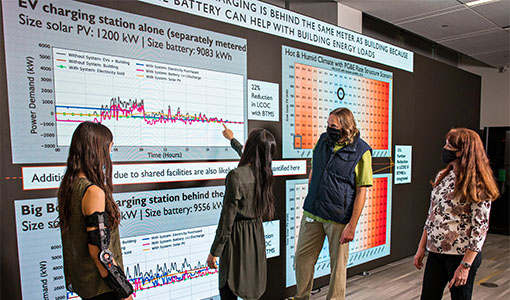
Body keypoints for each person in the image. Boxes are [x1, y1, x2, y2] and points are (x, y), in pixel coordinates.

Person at [294, 107, 373, 300]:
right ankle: (301, 296)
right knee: (302, 258)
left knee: (338, 266)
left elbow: (362, 191)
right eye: (328, 125)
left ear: (346, 127)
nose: (329, 129)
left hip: (338, 217)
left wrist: (352, 226)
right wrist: (312, 194)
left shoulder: (361, 151)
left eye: (333, 126)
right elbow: (314, 170)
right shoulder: (322, 141)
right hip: (313, 212)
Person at [414, 128, 499, 300]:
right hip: (436, 252)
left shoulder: (478, 185)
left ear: (462, 152)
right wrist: (422, 247)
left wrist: (466, 266)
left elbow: (480, 229)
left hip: (461, 256)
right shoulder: (442, 176)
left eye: (449, 145)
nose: (444, 148)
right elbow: (432, 216)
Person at [58, 121, 133, 300]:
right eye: (109, 148)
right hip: (104, 289)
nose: (109, 155)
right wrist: (124, 292)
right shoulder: (93, 192)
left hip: (85, 287)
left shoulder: (69, 186)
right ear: (97, 150)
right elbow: (100, 252)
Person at [207, 128, 277, 300]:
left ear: (251, 146)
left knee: (229, 285)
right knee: (251, 283)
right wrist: (232, 139)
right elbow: (247, 154)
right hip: (255, 236)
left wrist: (214, 251)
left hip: (236, 239)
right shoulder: (266, 172)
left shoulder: (235, 176)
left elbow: (226, 220)